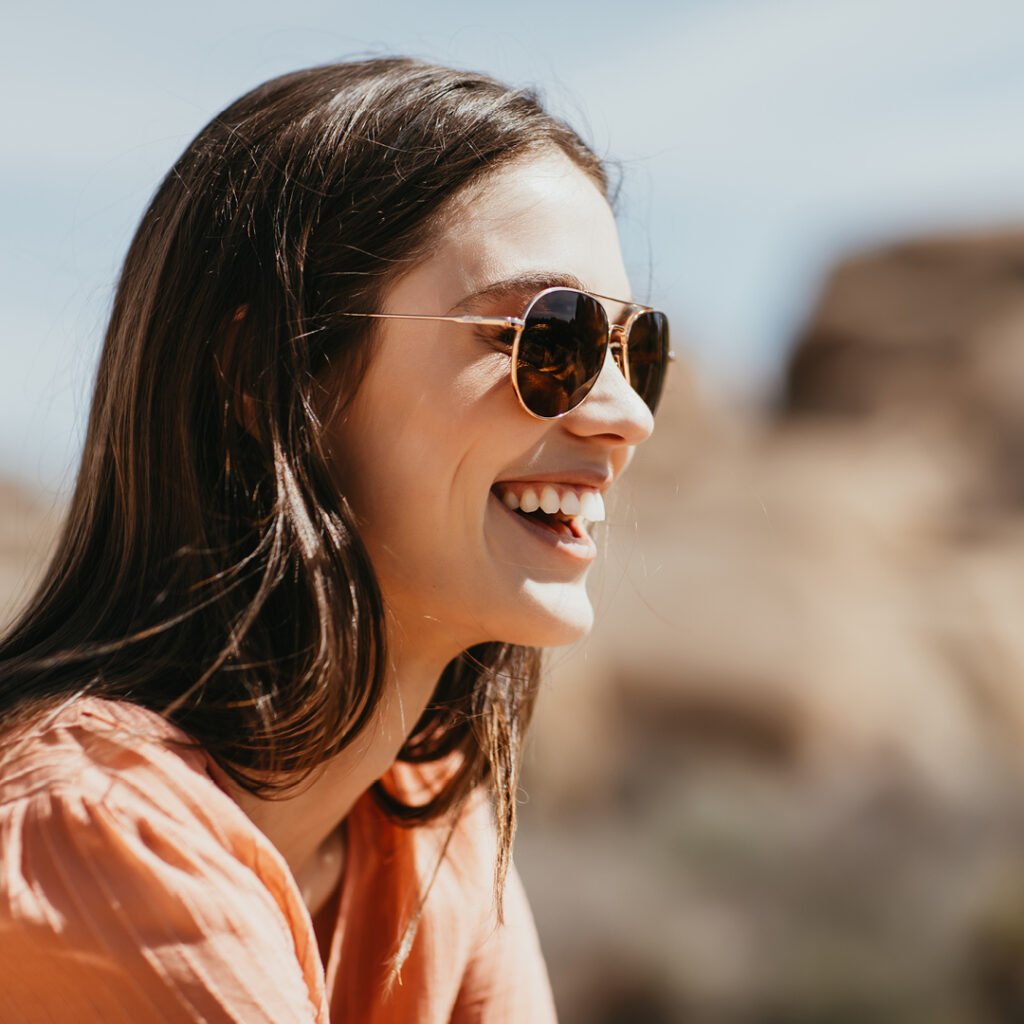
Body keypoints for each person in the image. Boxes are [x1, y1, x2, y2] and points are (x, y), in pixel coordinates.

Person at [0, 56, 670, 1022]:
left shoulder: (426, 831)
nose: (626, 417)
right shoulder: (94, 840)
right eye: (546, 335)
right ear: (270, 372)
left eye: (636, 351)